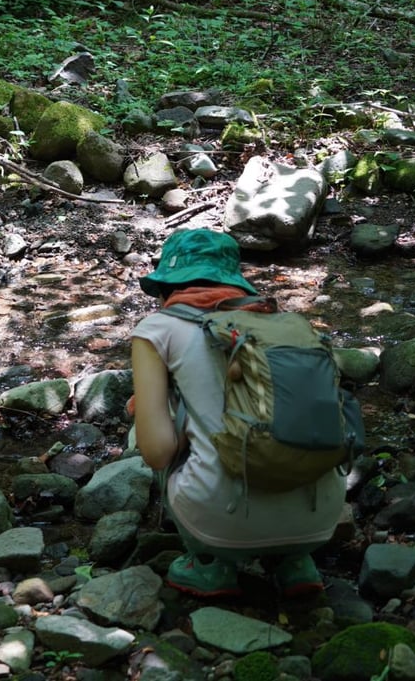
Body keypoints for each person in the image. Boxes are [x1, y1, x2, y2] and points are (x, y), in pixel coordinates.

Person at [130, 228, 345, 597]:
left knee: (148, 419)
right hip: (322, 519)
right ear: (235, 282)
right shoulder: (288, 327)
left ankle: (210, 566)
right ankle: (294, 563)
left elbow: (157, 452)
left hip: (222, 524)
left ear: (167, 286)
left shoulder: (157, 329)